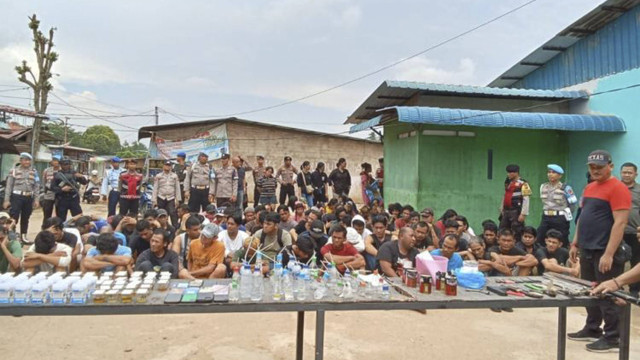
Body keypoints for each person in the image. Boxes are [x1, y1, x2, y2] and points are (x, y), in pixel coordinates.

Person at [567, 150, 631, 352]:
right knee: (590, 291)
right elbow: (582, 217)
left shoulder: (618, 188)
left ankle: (612, 336)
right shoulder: (589, 187)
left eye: (600, 167)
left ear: (610, 166)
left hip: (604, 250)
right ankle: (592, 327)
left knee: (608, 294)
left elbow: (620, 223)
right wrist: (575, 243)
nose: (595, 171)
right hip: (586, 248)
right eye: (592, 167)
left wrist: (609, 253)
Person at [537, 164, 577, 247]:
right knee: (540, 238)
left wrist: (567, 216)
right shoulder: (543, 186)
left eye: (554, 172)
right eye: (549, 172)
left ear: (560, 176)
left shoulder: (566, 188)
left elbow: (572, 204)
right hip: (546, 217)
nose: (550, 174)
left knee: (562, 239)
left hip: (560, 218)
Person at [4, 152, 40, 244]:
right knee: (14, 217)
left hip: (28, 197)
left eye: (29, 160)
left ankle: (24, 236)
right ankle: (12, 236)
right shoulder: (14, 171)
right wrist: (6, 200)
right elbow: (9, 186)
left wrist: (36, 199)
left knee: (26, 217)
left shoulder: (34, 172)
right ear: (21, 160)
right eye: (25, 160)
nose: (27, 162)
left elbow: (36, 186)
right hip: (16, 197)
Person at [620, 162, 640, 297]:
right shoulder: (616, 188)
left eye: (629, 172)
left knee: (636, 260)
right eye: (624, 172)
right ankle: (617, 288)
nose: (626, 175)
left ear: (635, 174)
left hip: (635, 232)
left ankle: (634, 290)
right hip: (617, 232)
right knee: (617, 260)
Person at [500, 164, 531, 240]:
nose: (509, 174)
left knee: (517, 230)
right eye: (508, 172)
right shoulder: (508, 182)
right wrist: (501, 207)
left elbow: (526, 199)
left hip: (516, 211)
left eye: (510, 172)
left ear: (516, 173)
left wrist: (523, 214)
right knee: (502, 229)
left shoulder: (523, 183)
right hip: (507, 210)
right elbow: (505, 195)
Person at [51, 157, 87, 222]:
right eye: (64, 164)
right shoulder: (57, 175)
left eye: (68, 164)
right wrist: (62, 189)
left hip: (73, 198)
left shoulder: (74, 173)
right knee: (60, 219)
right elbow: (53, 188)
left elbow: (84, 182)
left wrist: (81, 177)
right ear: (61, 165)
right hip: (62, 199)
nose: (66, 166)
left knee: (79, 217)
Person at [152, 160, 181, 227]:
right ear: (163, 166)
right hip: (161, 197)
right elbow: (155, 188)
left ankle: (175, 228)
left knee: (172, 213)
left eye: (169, 165)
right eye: (166, 165)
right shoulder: (158, 176)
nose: (167, 167)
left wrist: (178, 199)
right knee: (160, 213)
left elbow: (177, 188)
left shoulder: (174, 176)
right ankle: (159, 227)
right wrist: (154, 200)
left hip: (171, 197)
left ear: (171, 167)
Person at [41, 155, 60, 227]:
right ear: (51, 162)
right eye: (54, 160)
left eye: (57, 161)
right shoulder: (46, 171)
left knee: (59, 213)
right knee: (47, 212)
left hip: (59, 194)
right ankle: (45, 227)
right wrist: (44, 190)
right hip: (49, 194)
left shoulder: (62, 171)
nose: (55, 162)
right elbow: (44, 182)